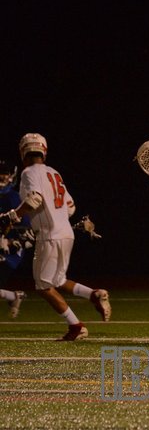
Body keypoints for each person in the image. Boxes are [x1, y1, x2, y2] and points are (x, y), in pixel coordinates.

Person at [0, 133, 111, 340]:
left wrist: (12, 216)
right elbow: (70, 207)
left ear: (23, 152)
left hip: (49, 235)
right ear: (44, 151)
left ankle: (76, 326)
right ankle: (93, 294)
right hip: (66, 233)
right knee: (58, 280)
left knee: (43, 286)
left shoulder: (28, 172)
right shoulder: (54, 172)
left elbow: (34, 199)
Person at [0, 160, 28, 318]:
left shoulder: (14, 198)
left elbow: (25, 230)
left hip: (9, 251)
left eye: (4, 173)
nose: (1, 176)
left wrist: (9, 241)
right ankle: (14, 296)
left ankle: (14, 296)